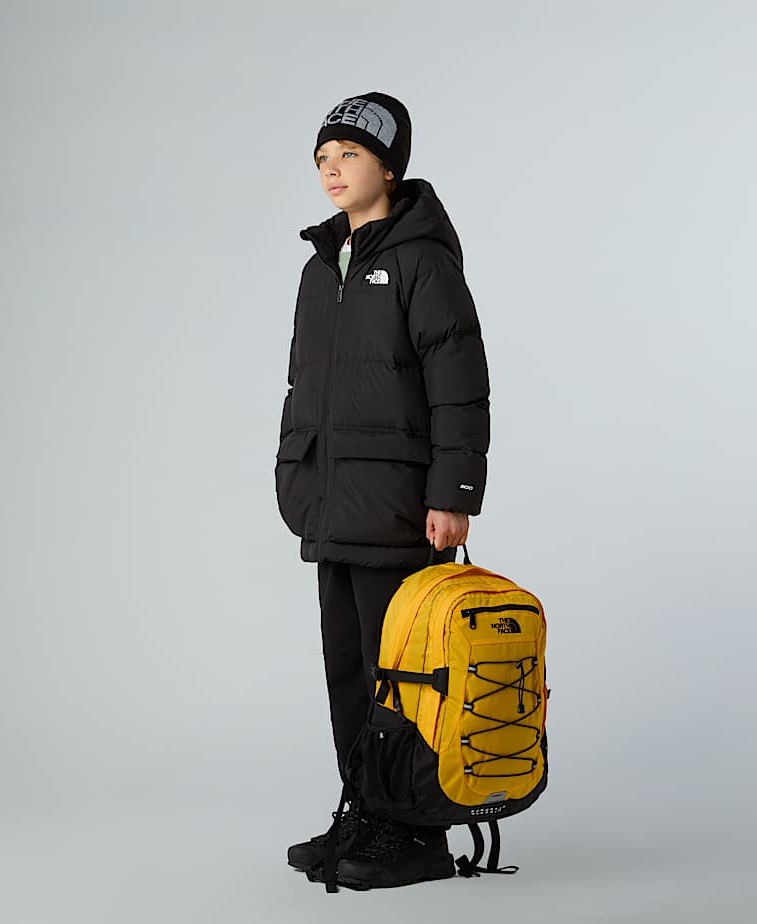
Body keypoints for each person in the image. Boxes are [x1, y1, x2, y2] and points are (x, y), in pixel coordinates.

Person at [274, 91, 490, 890]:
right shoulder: (318, 268)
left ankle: (418, 833)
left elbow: (459, 384)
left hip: (399, 506)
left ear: (389, 167)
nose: (333, 170)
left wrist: (453, 492)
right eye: (323, 158)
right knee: (349, 672)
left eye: (350, 156)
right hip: (332, 505)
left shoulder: (421, 261)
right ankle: (366, 813)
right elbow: (304, 386)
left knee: (403, 676)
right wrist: (296, 474)